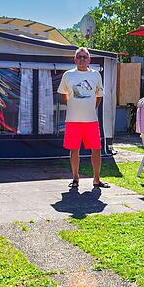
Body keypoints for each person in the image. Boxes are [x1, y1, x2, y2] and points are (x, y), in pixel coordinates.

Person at [57, 47, 109, 189]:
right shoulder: (68, 75)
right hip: (73, 120)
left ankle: (96, 180)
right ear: (74, 59)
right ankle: (75, 179)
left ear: (89, 59)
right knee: (74, 149)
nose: (81, 59)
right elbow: (64, 94)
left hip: (91, 121)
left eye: (84, 57)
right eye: (79, 57)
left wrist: (91, 107)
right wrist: (74, 104)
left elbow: (99, 95)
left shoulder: (96, 75)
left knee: (96, 149)